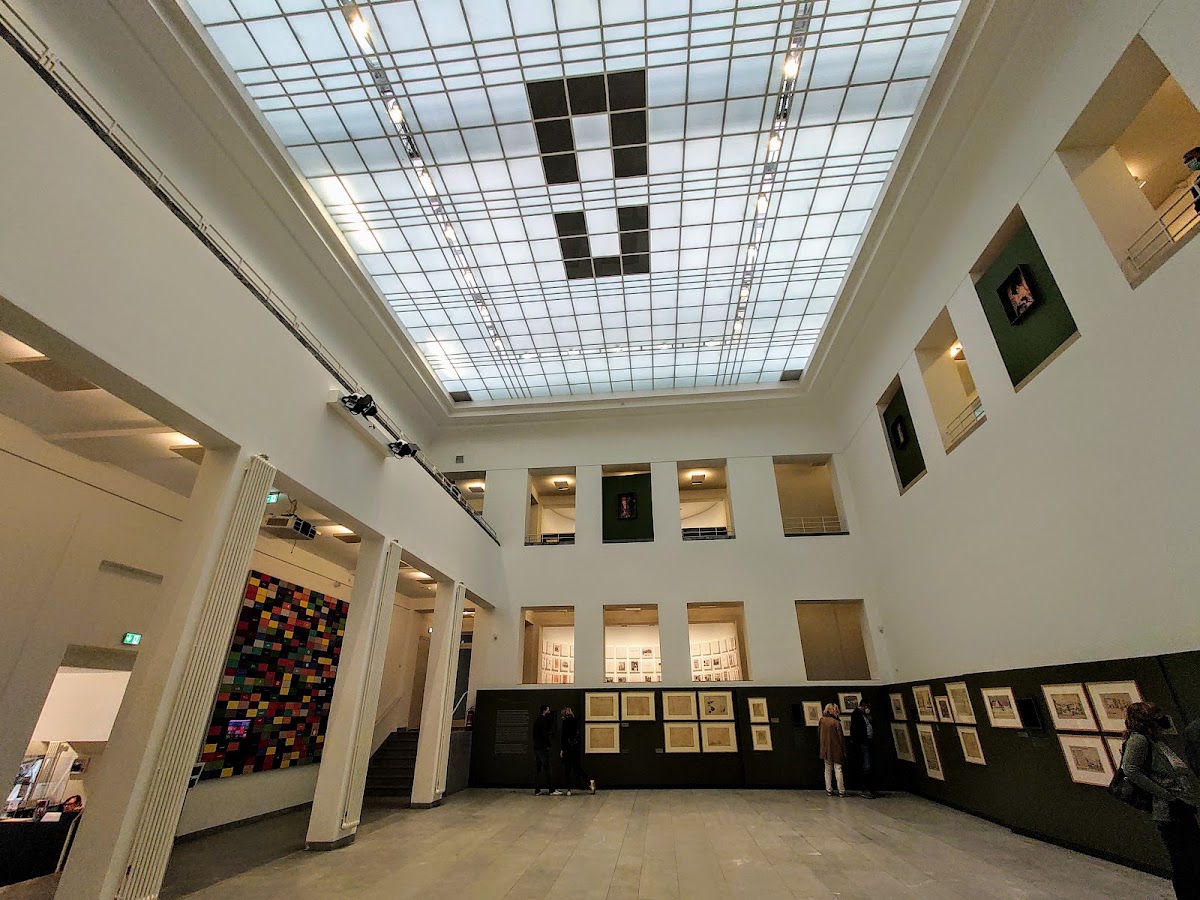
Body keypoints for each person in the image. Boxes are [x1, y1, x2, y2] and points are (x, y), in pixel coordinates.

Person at [1121, 701, 1199, 899]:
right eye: (1156, 717)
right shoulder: (1138, 740)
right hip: (1169, 809)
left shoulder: (1154, 738)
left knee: (1192, 855)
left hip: (1180, 803)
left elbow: (1171, 729)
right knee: (1184, 859)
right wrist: (1167, 796)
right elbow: (1130, 770)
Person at [558, 707, 596, 796]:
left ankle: (569, 789)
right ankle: (589, 782)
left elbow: (563, 737)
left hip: (567, 748)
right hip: (575, 748)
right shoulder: (575, 721)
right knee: (577, 768)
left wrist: (562, 749)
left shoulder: (565, 722)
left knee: (567, 769)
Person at [850, 699, 879, 799]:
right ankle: (866, 788)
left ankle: (870, 788)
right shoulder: (856, 714)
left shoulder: (863, 714)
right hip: (863, 743)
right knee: (866, 765)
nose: (868, 709)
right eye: (867, 706)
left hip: (867, 742)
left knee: (868, 765)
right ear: (864, 705)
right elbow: (855, 729)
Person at [532, 704, 561, 796]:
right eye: (548, 710)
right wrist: (548, 745)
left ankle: (537, 790)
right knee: (548, 769)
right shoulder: (544, 720)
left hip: (537, 747)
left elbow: (535, 735)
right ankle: (551, 790)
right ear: (544, 711)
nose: (549, 712)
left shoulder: (536, 721)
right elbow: (544, 734)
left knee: (538, 770)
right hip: (543, 748)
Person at [818, 703, 846, 797]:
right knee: (838, 769)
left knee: (827, 769)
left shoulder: (822, 721)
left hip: (825, 749)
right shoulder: (836, 723)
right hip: (836, 749)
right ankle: (841, 790)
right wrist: (844, 751)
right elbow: (841, 738)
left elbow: (819, 733)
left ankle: (829, 789)